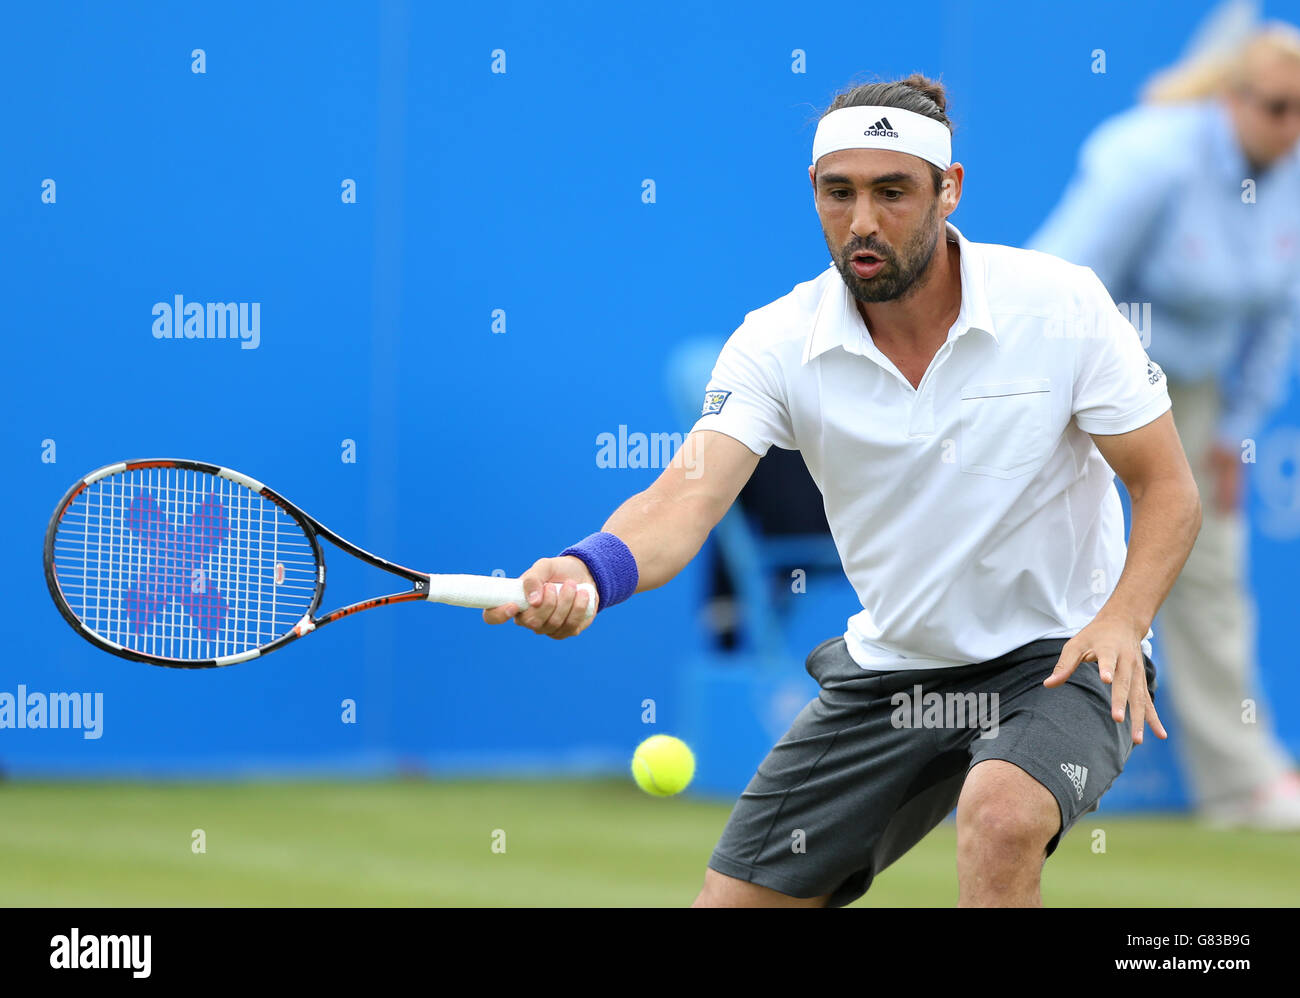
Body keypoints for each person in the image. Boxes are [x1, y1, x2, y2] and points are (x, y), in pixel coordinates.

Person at [483, 74, 1201, 907]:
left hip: (1061, 651)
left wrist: (1124, 618)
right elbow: (682, 502)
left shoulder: (1062, 304)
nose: (862, 221)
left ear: (949, 190)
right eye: (840, 192)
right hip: (893, 672)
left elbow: (1168, 490)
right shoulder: (775, 343)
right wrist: (587, 571)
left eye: (892, 191)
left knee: (1001, 813)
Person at [1028, 20, 1300, 829]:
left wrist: (1232, 430)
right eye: (1280, 108)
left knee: (1208, 573)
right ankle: (968, 755)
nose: (1293, 129)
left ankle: (1243, 787)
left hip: (1198, 390)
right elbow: (1064, 282)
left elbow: (1281, 318)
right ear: (1233, 98)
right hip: (1086, 372)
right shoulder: (1148, 157)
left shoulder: (1290, 175)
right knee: (1038, 550)